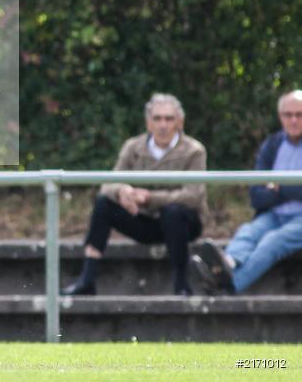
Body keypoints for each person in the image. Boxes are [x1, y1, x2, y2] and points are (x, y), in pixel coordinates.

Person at [62, 93, 207, 296]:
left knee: (173, 212)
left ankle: (182, 284)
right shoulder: (133, 147)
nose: (163, 125)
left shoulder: (195, 151)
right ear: (149, 123)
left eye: (169, 119)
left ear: (179, 122)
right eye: (157, 119)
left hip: (183, 223)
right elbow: (108, 184)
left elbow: (193, 196)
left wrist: (150, 198)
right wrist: (122, 191)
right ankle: (87, 278)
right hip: (144, 221)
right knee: (103, 204)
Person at [193, 90, 302, 294]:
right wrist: (291, 189)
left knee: (273, 242)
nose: (294, 120)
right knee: (248, 233)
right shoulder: (272, 145)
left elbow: (270, 189)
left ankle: (229, 287)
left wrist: (279, 186)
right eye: (288, 115)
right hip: (274, 215)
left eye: (300, 114)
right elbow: (257, 196)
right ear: (281, 117)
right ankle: (227, 265)